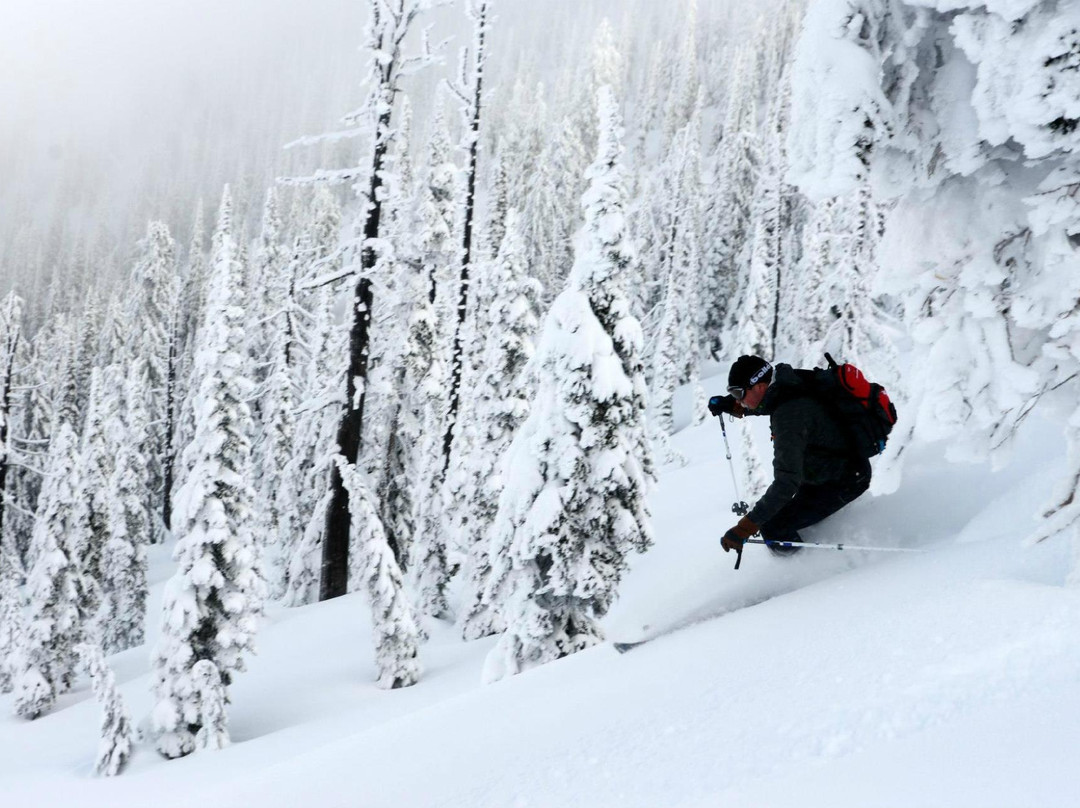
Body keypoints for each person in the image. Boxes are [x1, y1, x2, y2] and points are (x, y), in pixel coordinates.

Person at [707, 355, 871, 557]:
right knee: (781, 517)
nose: (738, 399)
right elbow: (770, 404)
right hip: (833, 470)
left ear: (759, 386)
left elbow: (786, 483)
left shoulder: (788, 415)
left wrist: (745, 527)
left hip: (842, 479)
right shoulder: (788, 384)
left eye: (738, 393)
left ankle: (804, 576)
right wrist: (731, 405)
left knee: (774, 528)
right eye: (733, 393)